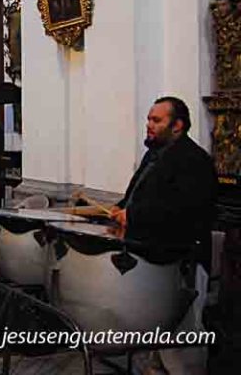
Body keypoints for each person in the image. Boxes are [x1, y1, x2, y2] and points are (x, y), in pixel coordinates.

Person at [108, 97, 217, 375]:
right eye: (148, 119)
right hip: (154, 260)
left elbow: (184, 211)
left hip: (183, 262)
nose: (149, 125)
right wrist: (121, 208)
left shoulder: (194, 160)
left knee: (182, 343)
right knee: (159, 339)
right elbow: (138, 194)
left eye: (156, 120)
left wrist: (133, 216)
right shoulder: (155, 154)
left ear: (178, 125)